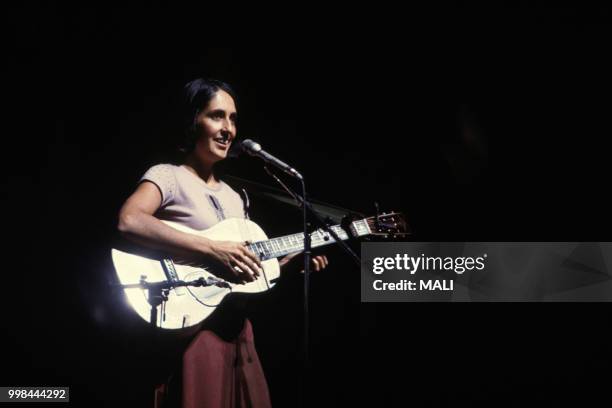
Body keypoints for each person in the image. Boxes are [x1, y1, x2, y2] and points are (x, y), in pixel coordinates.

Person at [117, 78, 328, 407]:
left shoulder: (235, 197)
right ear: (192, 121)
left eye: (233, 118)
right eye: (217, 116)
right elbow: (129, 220)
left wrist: (285, 268)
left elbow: (238, 275)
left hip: (238, 334)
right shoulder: (168, 175)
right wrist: (210, 248)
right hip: (195, 334)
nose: (228, 128)